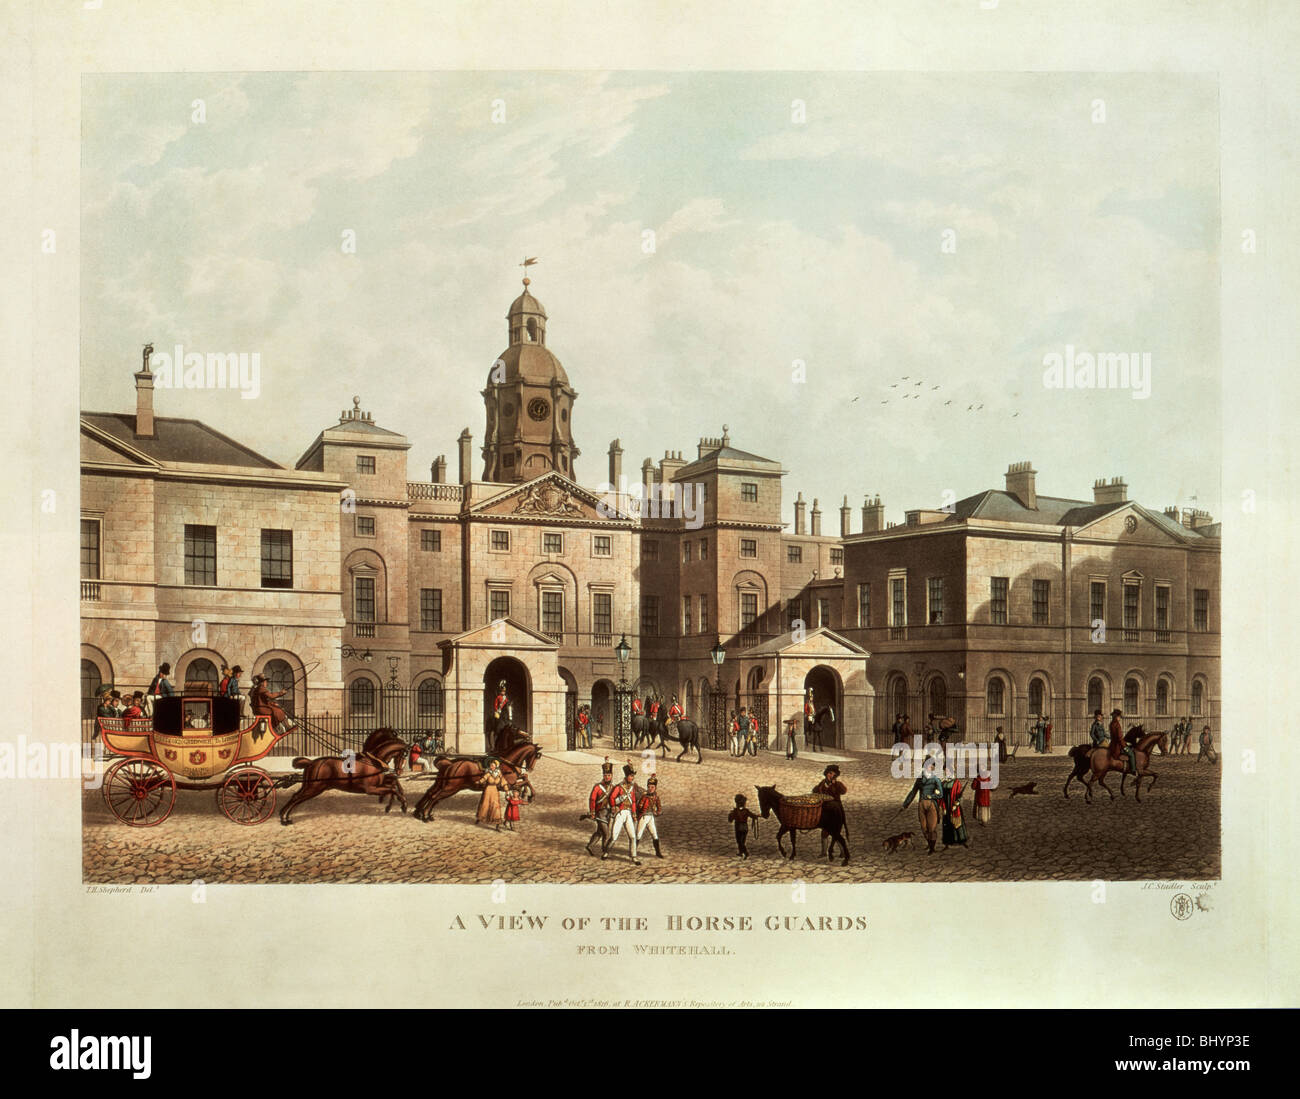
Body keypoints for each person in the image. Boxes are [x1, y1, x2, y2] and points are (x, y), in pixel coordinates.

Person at [902, 757, 944, 854]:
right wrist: (905, 804)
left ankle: (932, 848)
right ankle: (929, 844)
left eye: (931, 766)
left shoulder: (936, 779)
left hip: (931, 805)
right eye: (927, 765)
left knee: (932, 828)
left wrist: (932, 796)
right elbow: (913, 792)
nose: (929, 767)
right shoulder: (920, 778)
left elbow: (941, 794)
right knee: (924, 827)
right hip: (921, 805)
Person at [605, 763, 642, 865]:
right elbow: (611, 798)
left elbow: (633, 801)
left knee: (632, 836)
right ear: (626, 776)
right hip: (620, 813)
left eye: (633, 776)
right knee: (614, 836)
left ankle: (633, 856)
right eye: (631, 776)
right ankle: (606, 852)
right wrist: (614, 806)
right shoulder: (619, 787)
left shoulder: (632, 788)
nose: (632, 778)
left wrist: (634, 813)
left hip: (628, 813)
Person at [813, 765, 847, 856]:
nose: (830, 775)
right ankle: (824, 852)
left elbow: (844, 791)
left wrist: (835, 784)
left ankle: (843, 852)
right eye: (829, 773)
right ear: (826, 773)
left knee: (834, 832)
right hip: (825, 812)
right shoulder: (822, 783)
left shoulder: (837, 784)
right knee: (825, 832)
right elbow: (815, 791)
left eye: (833, 774)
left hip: (835, 811)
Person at [584, 758, 615, 856]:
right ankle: (605, 851)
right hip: (600, 813)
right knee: (607, 834)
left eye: (609, 775)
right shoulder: (597, 787)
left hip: (609, 813)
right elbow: (592, 800)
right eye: (605, 775)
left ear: (611, 776)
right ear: (603, 776)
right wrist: (592, 812)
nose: (607, 777)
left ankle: (590, 845)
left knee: (599, 832)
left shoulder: (613, 787)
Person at [474, 757, 508, 831]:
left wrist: (506, 790)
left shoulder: (499, 773)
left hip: (494, 791)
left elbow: (503, 781)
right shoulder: (488, 773)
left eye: (493, 765)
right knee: (485, 804)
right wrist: (478, 782)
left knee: (495, 806)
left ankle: (497, 825)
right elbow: (483, 779)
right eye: (491, 765)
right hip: (488, 790)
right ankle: (480, 818)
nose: (491, 766)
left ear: (496, 766)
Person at [941, 767, 969, 848]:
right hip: (946, 806)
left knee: (958, 823)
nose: (946, 772)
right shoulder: (943, 783)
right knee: (946, 824)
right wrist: (944, 807)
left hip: (954, 806)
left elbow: (959, 795)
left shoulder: (956, 782)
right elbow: (942, 797)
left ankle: (962, 841)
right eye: (945, 771)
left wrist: (956, 804)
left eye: (948, 771)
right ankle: (947, 842)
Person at [637, 774, 663, 858]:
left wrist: (658, 812)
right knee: (638, 834)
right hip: (644, 817)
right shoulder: (644, 796)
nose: (650, 789)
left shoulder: (656, 797)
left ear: (655, 788)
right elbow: (639, 807)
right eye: (649, 787)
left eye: (652, 787)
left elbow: (659, 806)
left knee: (654, 835)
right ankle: (633, 851)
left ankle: (658, 852)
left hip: (651, 818)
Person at [729, 794, 760, 859]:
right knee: (742, 841)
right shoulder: (746, 811)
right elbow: (753, 816)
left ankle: (746, 853)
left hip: (738, 827)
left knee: (739, 841)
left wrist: (730, 815)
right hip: (745, 827)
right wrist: (757, 816)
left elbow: (730, 820)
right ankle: (740, 852)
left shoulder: (735, 811)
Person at [1109, 708, 1136, 777]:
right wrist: (1125, 746)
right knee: (1131, 754)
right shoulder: (1117, 725)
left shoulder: (1111, 724)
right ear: (1116, 717)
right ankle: (1133, 770)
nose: (1120, 718)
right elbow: (1119, 738)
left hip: (1112, 745)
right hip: (1118, 747)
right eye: (1119, 717)